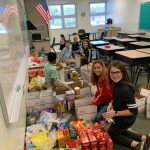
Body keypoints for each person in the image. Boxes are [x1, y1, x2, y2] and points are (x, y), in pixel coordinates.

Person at [103, 60, 150, 150]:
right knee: (118, 131)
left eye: (118, 72)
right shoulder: (117, 84)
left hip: (126, 118)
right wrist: (110, 103)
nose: (115, 75)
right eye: (112, 72)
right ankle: (144, 138)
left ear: (123, 72)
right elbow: (116, 97)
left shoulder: (124, 89)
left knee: (111, 133)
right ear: (109, 73)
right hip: (121, 116)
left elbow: (133, 111)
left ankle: (137, 145)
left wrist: (115, 113)